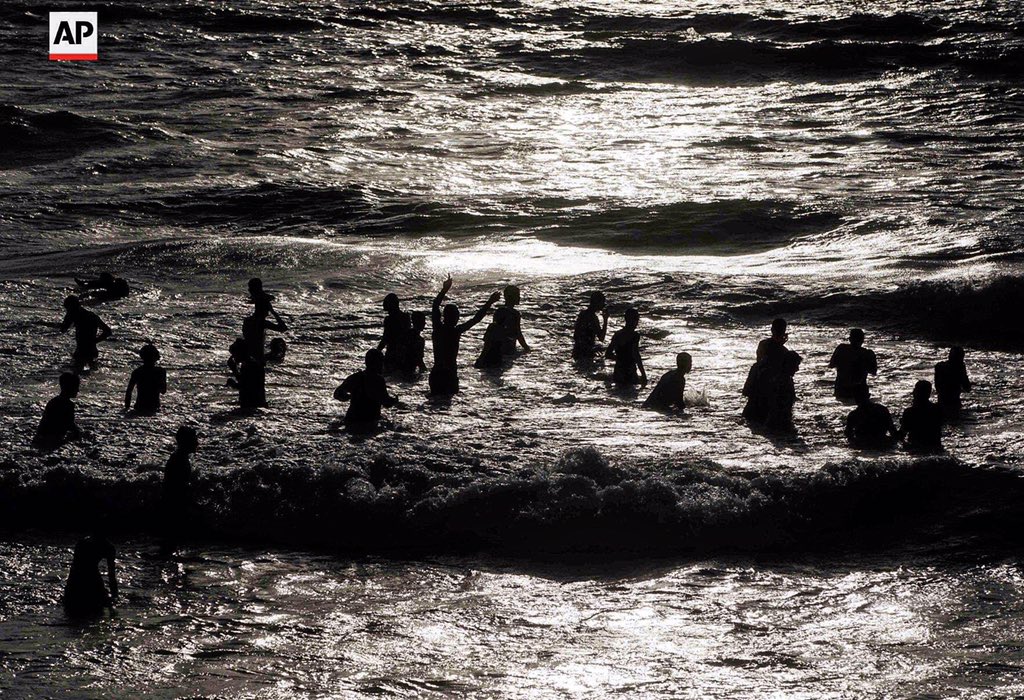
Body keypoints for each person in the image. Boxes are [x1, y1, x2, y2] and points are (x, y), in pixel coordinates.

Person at [429, 275, 501, 396]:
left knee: (434, 400)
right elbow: (476, 319)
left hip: (436, 373)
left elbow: (435, 306)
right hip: (450, 374)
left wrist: (444, 290)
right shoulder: (455, 331)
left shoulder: (438, 329)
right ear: (455, 318)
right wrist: (489, 302)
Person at [334, 349, 398, 432]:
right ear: (377, 363)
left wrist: (347, 397)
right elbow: (386, 403)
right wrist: (394, 401)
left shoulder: (355, 377)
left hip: (352, 417)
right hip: (369, 419)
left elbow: (337, 394)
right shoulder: (378, 380)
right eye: (381, 362)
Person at [743, 319, 791, 425]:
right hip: (771, 387)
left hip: (759, 383)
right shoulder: (784, 351)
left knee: (752, 417)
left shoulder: (763, 344)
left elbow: (759, 360)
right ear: (784, 331)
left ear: (772, 329)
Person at [162, 425, 198, 551]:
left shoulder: (179, 457)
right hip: (174, 505)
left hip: (171, 504)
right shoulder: (179, 460)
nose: (197, 443)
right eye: (194, 439)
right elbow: (177, 487)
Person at [63, 534, 117, 616]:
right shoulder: (109, 547)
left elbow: (74, 568)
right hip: (90, 581)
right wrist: (114, 597)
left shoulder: (82, 543)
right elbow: (111, 576)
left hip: (77, 580)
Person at [60, 295, 112, 372]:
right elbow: (108, 331)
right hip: (91, 350)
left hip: (81, 351)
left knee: (76, 372)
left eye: (68, 309)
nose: (67, 311)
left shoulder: (74, 315)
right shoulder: (92, 316)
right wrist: (94, 341)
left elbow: (63, 329)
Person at [34, 372, 81, 449]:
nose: (78, 390)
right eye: (76, 387)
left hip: (42, 437)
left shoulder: (52, 402)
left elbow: (43, 425)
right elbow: (70, 425)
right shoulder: (69, 405)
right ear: (70, 388)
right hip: (55, 440)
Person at [828, 328, 878, 401]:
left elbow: (831, 365)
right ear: (862, 340)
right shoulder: (867, 353)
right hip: (860, 391)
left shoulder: (841, 349)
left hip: (841, 389)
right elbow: (873, 372)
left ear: (850, 339)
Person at [844, 385, 898, 450]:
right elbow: (893, 432)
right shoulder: (881, 410)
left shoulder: (853, 415)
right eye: (858, 396)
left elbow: (849, 436)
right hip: (881, 444)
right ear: (868, 395)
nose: (859, 399)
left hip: (864, 445)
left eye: (860, 396)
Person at [606, 308, 647, 386]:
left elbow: (608, 354)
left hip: (619, 371)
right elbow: (636, 355)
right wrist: (643, 374)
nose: (637, 323)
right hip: (630, 371)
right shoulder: (634, 336)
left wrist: (620, 359)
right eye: (636, 320)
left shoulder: (617, 335)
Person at [899, 380, 943, 452]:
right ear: (929, 394)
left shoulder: (910, 412)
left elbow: (901, 435)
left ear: (915, 393)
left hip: (916, 448)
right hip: (935, 446)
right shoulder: (937, 410)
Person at [124, 343, 167, 414]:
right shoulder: (161, 372)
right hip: (154, 407)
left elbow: (129, 392)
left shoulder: (137, 372)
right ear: (156, 357)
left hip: (139, 407)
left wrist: (126, 408)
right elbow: (163, 391)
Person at [227, 338, 267, 408]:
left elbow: (244, 386)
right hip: (254, 402)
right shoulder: (249, 364)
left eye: (234, 354)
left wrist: (234, 371)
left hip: (252, 403)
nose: (233, 357)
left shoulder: (250, 366)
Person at [378, 293, 412, 371]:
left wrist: (378, 350)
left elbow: (385, 338)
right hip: (404, 352)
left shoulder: (389, 319)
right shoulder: (406, 317)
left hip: (392, 352)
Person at [934, 346, 972, 417]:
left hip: (942, 402)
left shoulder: (939, 367)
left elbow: (937, 387)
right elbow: (967, 388)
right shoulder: (959, 368)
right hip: (954, 403)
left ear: (949, 356)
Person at [573, 291, 609, 359]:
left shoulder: (582, 314)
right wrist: (605, 320)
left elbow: (575, 335)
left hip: (577, 350)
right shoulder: (593, 318)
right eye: (602, 302)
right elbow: (601, 338)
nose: (604, 304)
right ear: (597, 302)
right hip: (586, 352)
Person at [499, 285, 529, 355]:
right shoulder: (515, 313)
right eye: (517, 295)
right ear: (511, 297)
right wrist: (527, 348)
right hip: (509, 348)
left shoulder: (499, 311)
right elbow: (518, 333)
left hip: (498, 347)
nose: (519, 298)